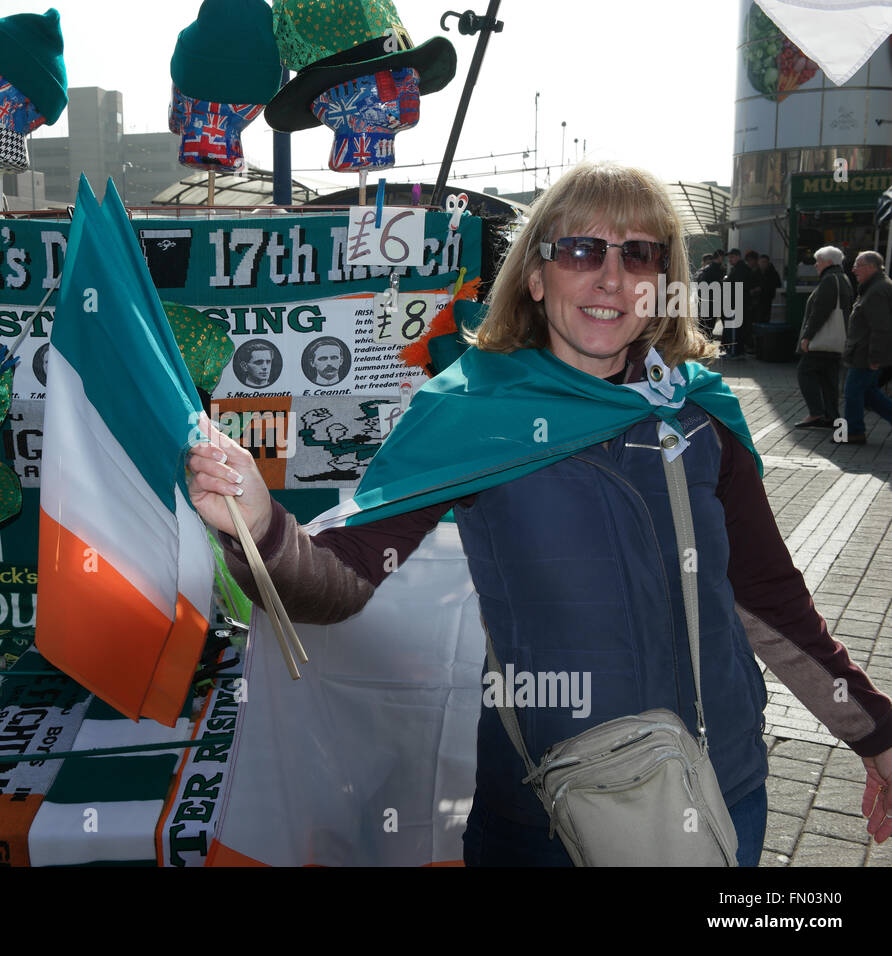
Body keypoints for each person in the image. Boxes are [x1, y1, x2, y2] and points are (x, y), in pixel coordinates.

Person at [187, 161, 892, 866]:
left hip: (721, 792)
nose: (611, 278)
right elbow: (337, 581)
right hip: (552, 819)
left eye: (638, 253)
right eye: (581, 251)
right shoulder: (467, 411)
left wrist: (874, 732)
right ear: (534, 275)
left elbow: (769, 598)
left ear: (664, 281)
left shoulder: (700, 411)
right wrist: (261, 527)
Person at [838, 250, 892, 445]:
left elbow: (881, 327)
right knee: (869, 394)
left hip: (866, 354)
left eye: (857, 265)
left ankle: (853, 432)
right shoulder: (873, 287)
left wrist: (875, 358)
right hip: (862, 351)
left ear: (871, 267)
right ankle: (854, 431)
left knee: (852, 392)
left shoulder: (878, 290)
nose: (853, 270)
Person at [796, 246, 852, 428]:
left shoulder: (829, 280)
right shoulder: (842, 278)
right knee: (829, 378)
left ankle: (816, 412)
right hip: (835, 341)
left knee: (805, 371)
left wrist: (807, 336)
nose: (815, 265)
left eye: (818, 261)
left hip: (821, 340)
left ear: (828, 262)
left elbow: (820, 311)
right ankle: (831, 416)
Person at [724, 247, 753, 357]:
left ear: (738, 257)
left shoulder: (740, 269)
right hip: (739, 302)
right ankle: (738, 351)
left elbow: (738, 286)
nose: (730, 259)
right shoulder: (739, 268)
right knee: (738, 328)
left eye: (732, 257)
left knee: (735, 329)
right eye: (729, 257)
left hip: (737, 303)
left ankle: (735, 351)